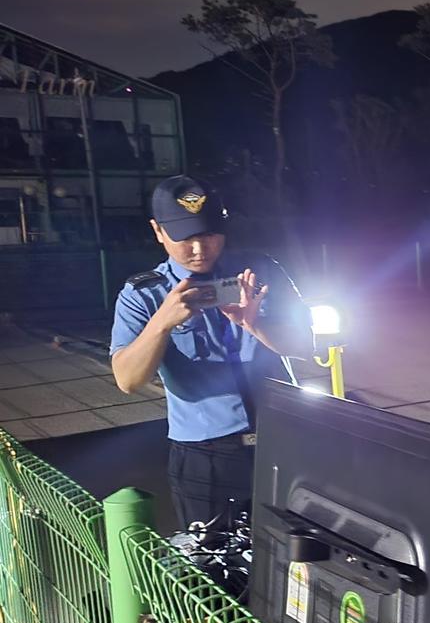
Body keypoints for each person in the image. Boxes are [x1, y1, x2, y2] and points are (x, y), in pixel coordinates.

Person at [111, 175, 312, 535]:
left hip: (282, 439)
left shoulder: (260, 272)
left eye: (208, 233)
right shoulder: (143, 294)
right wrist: (161, 323)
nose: (200, 248)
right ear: (158, 231)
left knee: (295, 563)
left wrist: (255, 324)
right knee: (215, 574)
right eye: (185, 236)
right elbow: (127, 380)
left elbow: (305, 344)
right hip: (205, 457)